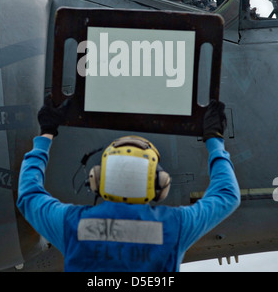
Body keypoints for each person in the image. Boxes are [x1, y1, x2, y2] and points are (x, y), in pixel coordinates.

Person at [17, 97, 240, 272]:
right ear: (159, 185)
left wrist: (46, 134)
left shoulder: (72, 224)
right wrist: (214, 139)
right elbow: (227, 194)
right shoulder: (175, 227)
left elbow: (29, 195)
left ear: (97, 179)